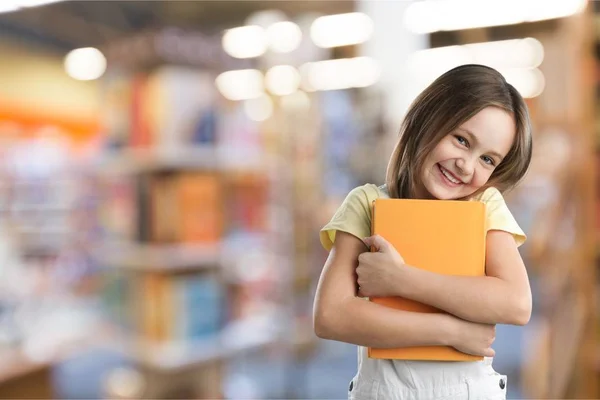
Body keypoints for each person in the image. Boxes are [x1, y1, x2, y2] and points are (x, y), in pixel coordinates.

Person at [313, 64, 533, 400]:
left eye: (488, 159)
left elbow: (516, 303)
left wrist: (401, 279)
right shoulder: (367, 203)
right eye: (461, 140)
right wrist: (449, 331)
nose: (467, 166)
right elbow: (330, 315)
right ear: (426, 119)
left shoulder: (484, 205)